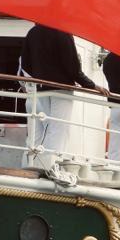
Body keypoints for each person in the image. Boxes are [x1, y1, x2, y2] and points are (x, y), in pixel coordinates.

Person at [19, 24, 106, 167]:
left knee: (44, 129)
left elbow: (26, 64)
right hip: (61, 90)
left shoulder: (33, 32)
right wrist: (91, 85)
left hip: (40, 89)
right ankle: (52, 167)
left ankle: (33, 164)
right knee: (58, 129)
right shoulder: (62, 32)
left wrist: (37, 80)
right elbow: (73, 68)